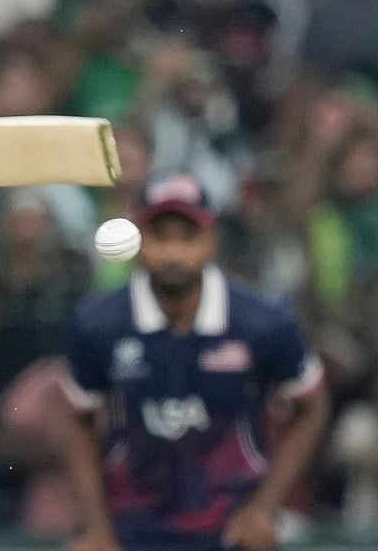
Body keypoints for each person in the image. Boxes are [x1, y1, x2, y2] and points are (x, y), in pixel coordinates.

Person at [62, 173, 330, 551]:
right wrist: (96, 529)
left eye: (187, 236)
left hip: (232, 529)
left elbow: (311, 404)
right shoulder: (97, 324)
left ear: (211, 239)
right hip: (131, 529)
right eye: (160, 236)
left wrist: (264, 509)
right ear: (139, 239)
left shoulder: (262, 321)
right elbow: (77, 417)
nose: (173, 252)